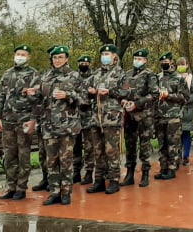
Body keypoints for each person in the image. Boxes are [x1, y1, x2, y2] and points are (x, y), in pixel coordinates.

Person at [28, 45, 81, 206]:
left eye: (60, 57)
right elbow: (40, 102)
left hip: (67, 126)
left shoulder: (74, 76)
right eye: (55, 57)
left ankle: (66, 192)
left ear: (66, 59)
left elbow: (84, 99)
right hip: (48, 126)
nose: (57, 60)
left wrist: (68, 95)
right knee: (51, 161)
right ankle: (54, 191)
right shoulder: (45, 77)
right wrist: (33, 95)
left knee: (65, 161)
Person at [0, 44, 39, 201]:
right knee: (9, 155)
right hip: (8, 121)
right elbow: (1, 96)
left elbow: (37, 100)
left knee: (23, 155)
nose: (20, 56)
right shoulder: (8, 74)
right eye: (18, 54)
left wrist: (33, 119)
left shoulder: (33, 74)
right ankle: (11, 187)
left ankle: (21, 188)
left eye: (23, 54)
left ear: (28, 57)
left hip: (24, 120)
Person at [85, 44, 131, 195]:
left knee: (111, 151)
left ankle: (114, 180)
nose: (104, 56)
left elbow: (125, 92)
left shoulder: (120, 73)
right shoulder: (96, 74)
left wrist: (110, 92)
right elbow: (87, 90)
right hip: (96, 117)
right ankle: (98, 180)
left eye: (107, 54)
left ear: (114, 56)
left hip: (112, 117)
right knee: (97, 151)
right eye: (103, 53)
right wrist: (91, 92)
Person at [120, 48, 159, 188]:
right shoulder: (128, 74)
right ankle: (130, 173)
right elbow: (123, 91)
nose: (137, 61)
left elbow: (154, 94)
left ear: (145, 60)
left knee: (144, 145)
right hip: (129, 115)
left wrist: (138, 103)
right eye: (135, 58)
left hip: (144, 115)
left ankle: (145, 173)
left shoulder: (150, 75)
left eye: (140, 59)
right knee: (129, 144)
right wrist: (124, 101)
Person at [154, 52, 189, 180]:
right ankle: (163, 167)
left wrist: (169, 96)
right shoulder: (158, 78)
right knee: (162, 143)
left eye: (166, 61)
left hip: (173, 115)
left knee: (173, 143)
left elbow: (185, 98)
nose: (164, 64)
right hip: (160, 115)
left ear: (171, 62)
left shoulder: (179, 79)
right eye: (162, 62)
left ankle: (172, 168)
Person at [31, 45, 56, 192]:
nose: (53, 59)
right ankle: (46, 178)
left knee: (54, 155)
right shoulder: (45, 76)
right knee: (42, 152)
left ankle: (55, 182)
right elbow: (39, 99)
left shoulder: (67, 76)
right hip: (43, 121)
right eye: (51, 56)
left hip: (57, 122)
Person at [176, 56, 193, 166]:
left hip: (187, 109)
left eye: (183, 64)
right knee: (176, 134)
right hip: (175, 109)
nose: (181, 66)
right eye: (179, 64)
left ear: (187, 65)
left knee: (186, 132)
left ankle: (185, 156)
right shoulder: (174, 77)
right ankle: (177, 156)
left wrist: (186, 100)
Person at [75, 55, 95, 185]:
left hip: (89, 116)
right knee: (75, 146)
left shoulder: (94, 78)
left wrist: (86, 101)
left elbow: (95, 96)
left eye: (86, 63)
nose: (83, 64)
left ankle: (88, 172)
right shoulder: (74, 78)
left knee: (89, 146)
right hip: (75, 117)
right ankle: (76, 172)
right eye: (81, 62)